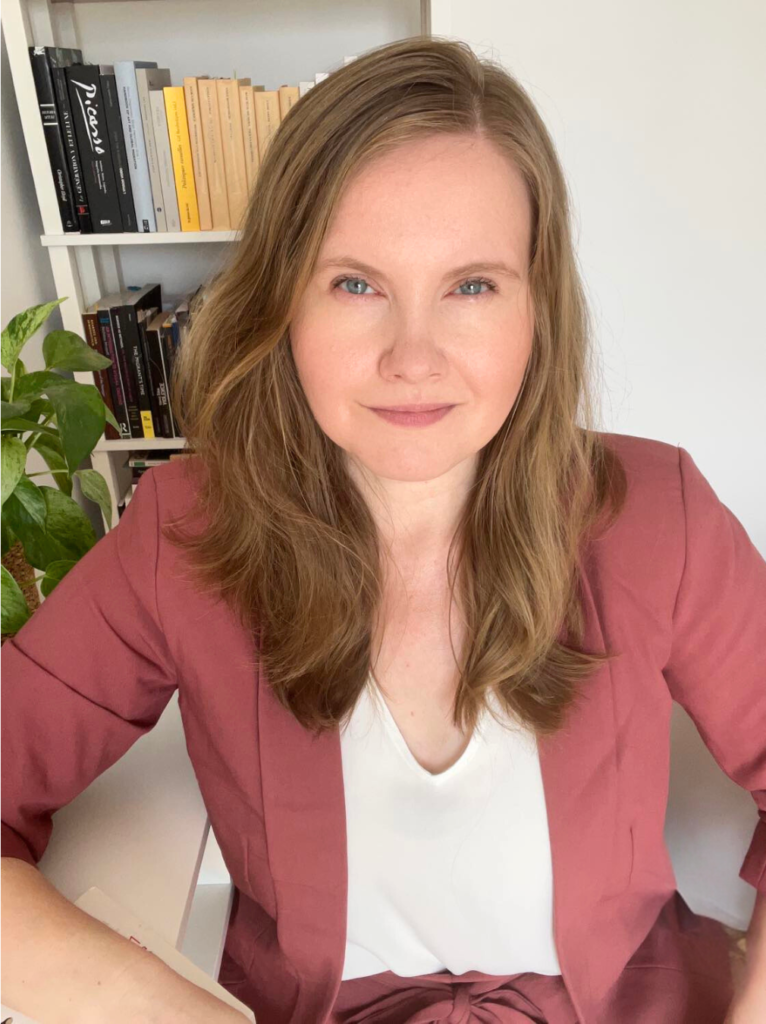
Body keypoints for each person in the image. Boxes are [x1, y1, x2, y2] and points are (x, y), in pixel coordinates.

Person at [1, 35, 764, 1024]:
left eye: (472, 285)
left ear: (538, 307)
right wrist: (169, 1007)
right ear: (281, 301)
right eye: (355, 283)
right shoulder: (184, 532)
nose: (414, 357)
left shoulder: (658, 513)